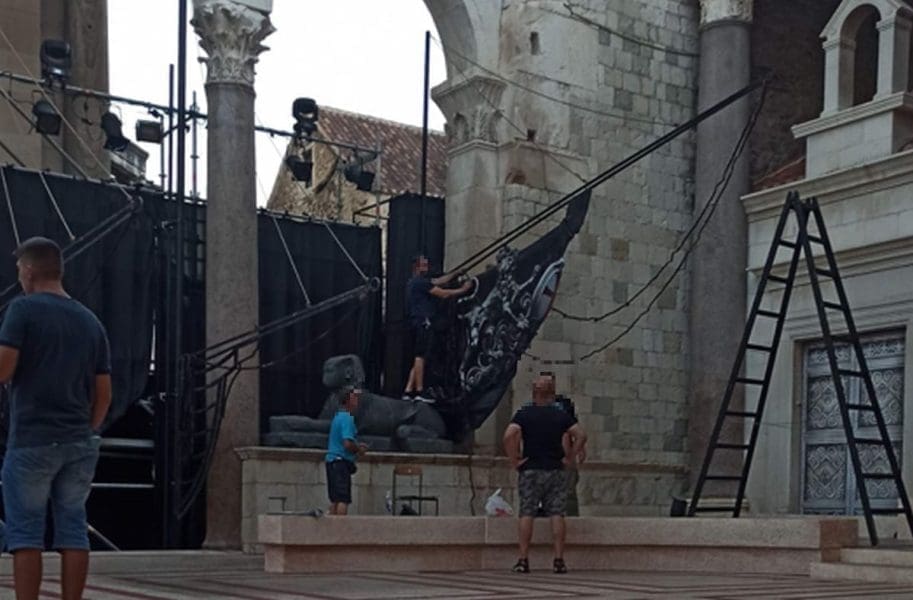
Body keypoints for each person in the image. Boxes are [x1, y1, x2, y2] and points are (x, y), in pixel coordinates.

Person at [0, 237, 112, 600]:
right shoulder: (91, 321)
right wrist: (87, 430)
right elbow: (104, 392)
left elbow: (4, 369)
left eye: (20, 268)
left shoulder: (22, 310)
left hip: (32, 440)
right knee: (73, 528)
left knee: (25, 534)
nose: (19, 275)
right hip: (78, 441)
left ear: (30, 270)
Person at [503, 372, 586, 574]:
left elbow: (508, 435)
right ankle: (558, 560)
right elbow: (581, 435)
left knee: (527, 513)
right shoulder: (560, 415)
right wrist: (570, 457)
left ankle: (523, 559)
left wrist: (514, 459)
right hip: (555, 468)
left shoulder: (524, 413)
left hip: (530, 468)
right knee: (557, 514)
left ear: (534, 393)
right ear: (552, 393)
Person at [403, 254, 471, 402]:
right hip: (423, 322)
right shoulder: (420, 282)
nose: (426, 266)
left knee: (419, 357)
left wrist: (456, 273)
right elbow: (443, 294)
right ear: (416, 266)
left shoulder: (415, 282)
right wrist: (463, 290)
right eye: (423, 264)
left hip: (417, 322)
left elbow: (439, 281)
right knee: (421, 357)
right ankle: (420, 391)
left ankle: (408, 390)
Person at [325, 386, 367, 515]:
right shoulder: (347, 418)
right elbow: (347, 443)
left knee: (335, 499)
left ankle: (332, 525)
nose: (357, 401)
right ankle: (341, 526)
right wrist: (359, 449)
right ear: (348, 400)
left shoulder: (338, 417)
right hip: (340, 463)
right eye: (355, 397)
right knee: (343, 499)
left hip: (331, 462)